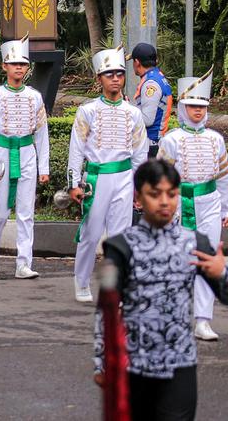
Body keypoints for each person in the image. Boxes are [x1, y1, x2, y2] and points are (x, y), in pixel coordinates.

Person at [94, 158, 228, 420]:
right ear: (138, 197)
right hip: (133, 365)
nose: (164, 202)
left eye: (172, 194)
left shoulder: (195, 243)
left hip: (180, 364)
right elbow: (106, 311)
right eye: (155, 195)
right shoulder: (120, 247)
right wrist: (102, 361)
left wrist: (220, 273)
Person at [69, 47, 149, 303]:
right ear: (99, 79)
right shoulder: (88, 111)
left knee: (120, 236)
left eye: (119, 74)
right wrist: (73, 182)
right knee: (90, 234)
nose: (115, 78)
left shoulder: (133, 113)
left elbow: (140, 153)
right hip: (96, 179)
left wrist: (140, 187)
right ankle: (81, 281)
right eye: (109, 74)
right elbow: (77, 148)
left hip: (124, 178)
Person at [156, 69, 228, 342]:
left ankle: (203, 320)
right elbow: (162, 179)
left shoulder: (216, 140)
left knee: (207, 259)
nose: (198, 111)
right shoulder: (171, 140)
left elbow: (223, 178)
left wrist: (225, 208)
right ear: (183, 108)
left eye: (202, 106)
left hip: (209, 202)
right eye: (192, 106)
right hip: (178, 204)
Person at [0, 38, 50, 279]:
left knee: (26, 211)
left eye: (23, 64)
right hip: (2, 153)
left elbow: (41, 133)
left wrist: (44, 166)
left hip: (27, 152)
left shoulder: (35, 97)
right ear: (5, 66)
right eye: (14, 63)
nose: (19, 68)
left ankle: (23, 263)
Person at [130, 42, 173, 156]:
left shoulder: (151, 84)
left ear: (137, 62)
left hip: (150, 146)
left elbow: (148, 119)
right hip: (153, 143)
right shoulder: (158, 76)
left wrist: (127, 110)